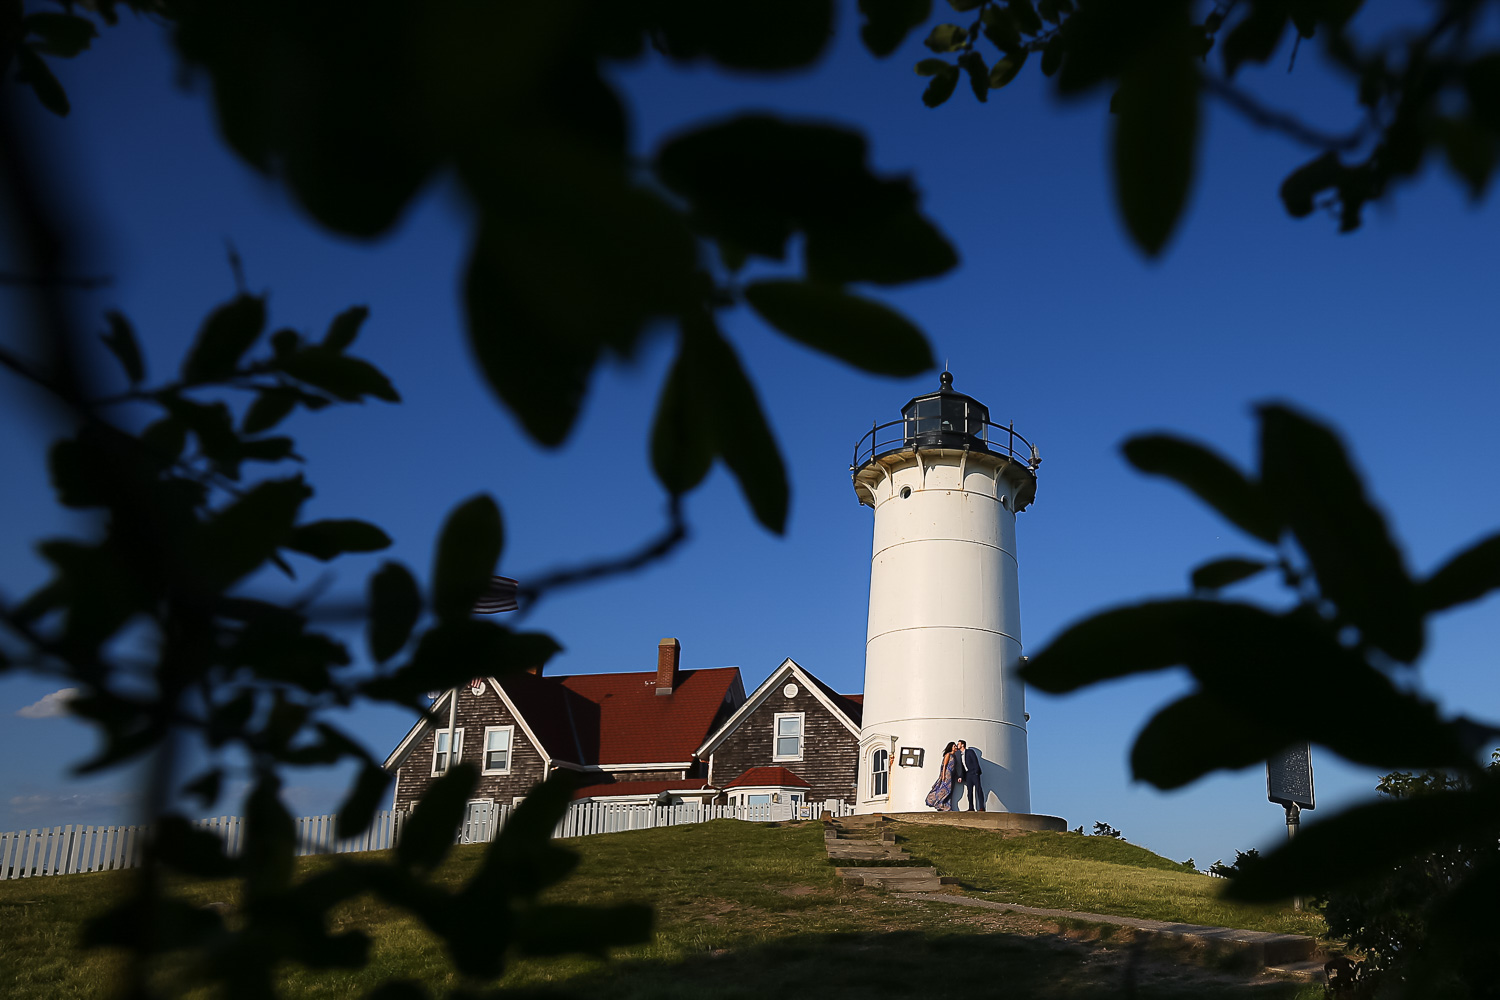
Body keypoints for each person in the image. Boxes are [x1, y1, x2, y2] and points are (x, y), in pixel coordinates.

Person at [924, 742, 959, 811]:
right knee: (945, 790)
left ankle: (946, 806)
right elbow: (944, 765)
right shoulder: (948, 755)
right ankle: (937, 802)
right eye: (954, 746)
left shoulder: (954, 756)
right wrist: (943, 775)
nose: (956, 747)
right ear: (951, 747)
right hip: (947, 774)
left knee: (950, 790)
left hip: (952, 775)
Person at [957, 740, 984, 811]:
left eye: (958, 744)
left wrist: (976, 772)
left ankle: (981, 807)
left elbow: (975, 761)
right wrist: (961, 777)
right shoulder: (961, 755)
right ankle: (971, 808)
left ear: (962, 745)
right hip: (968, 775)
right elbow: (963, 767)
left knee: (978, 790)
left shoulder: (970, 751)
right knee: (969, 792)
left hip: (974, 773)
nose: (957, 745)